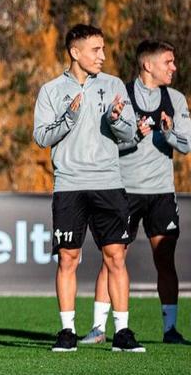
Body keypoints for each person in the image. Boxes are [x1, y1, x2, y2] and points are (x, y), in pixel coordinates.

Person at [33, 24, 144, 353]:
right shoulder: (51, 90)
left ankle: (121, 332)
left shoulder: (113, 86)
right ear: (74, 52)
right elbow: (41, 137)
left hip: (108, 183)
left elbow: (130, 136)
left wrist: (116, 119)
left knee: (116, 258)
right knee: (68, 258)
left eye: (103, 49)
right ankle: (67, 331)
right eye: (96, 50)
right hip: (68, 185)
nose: (103, 56)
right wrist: (68, 117)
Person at [79, 39, 189, 345]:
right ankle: (99, 328)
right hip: (123, 191)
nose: (174, 67)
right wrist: (135, 137)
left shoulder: (176, 99)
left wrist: (168, 133)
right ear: (148, 65)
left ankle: (170, 330)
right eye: (168, 62)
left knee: (165, 260)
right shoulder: (121, 95)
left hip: (161, 193)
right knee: (113, 258)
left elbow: (186, 144)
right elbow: (110, 144)